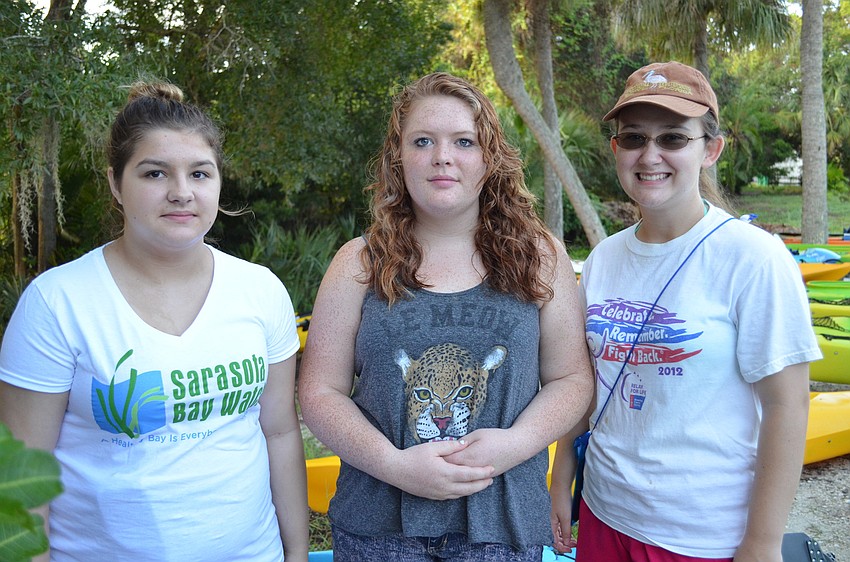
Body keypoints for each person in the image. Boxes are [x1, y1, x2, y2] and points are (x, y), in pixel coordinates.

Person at [0, 82, 309, 562]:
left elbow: (280, 433)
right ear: (114, 184)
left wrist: (297, 553)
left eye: (200, 173)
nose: (181, 192)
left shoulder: (261, 290)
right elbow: (21, 479)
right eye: (155, 173)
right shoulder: (57, 303)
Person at [298, 72, 593, 561]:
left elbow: (572, 379)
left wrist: (514, 444)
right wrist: (394, 465)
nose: (443, 156)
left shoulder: (540, 256)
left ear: (489, 156)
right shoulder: (358, 262)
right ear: (398, 156)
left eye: (464, 141)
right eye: (422, 141)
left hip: (503, 527)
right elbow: (319, 393)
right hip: (378, 530)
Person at [549, 61, 822, 562]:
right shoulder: (605, 258)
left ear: (710, 149)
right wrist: (562, 470)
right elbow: (584, 378)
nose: (649, 155)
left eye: (673, 138)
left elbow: (788, 406)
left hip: (701, 534)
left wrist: (761, 544)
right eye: (633, 138)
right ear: (616, 149)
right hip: (605, 514)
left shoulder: (753, 258)